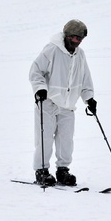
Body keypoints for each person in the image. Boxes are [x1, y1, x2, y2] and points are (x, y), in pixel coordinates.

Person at [29, 19, 96, 187]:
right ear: (66, 36)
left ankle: (63, 170)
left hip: (68, 105)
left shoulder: (80, 54)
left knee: (66, 139)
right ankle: (41, 171)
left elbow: (85, 79)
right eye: (74, 38)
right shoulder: (52, 50)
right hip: (48, 102)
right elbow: (36, 71)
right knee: (45, 137)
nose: (77, 41)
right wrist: (40, 88)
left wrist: (89, 98)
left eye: (80, 38)